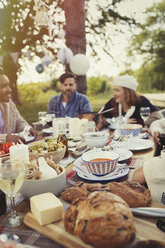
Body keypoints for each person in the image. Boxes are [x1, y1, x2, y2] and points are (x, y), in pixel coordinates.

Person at [0, 70, 38, 144]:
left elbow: (19, 121)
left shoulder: (9, 104)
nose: (9, 90)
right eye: (3, 86)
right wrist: (5, 138)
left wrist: (27, 129)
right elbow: (6, 138)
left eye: (8, 85)